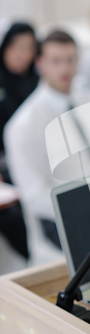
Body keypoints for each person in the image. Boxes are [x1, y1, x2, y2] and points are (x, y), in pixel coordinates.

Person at [4, 30, 90, 249]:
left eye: (70, 60)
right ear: (40, 64)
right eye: (56, 61)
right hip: (65, 221)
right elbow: (35, 196)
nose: (64, 68)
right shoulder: (23, 126)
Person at [0, 22, 39, 260]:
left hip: (31, 159)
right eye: (16, 46)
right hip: (5, 166)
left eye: (28, 48)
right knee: (14, 217)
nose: (20, 54)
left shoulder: (36, 83)